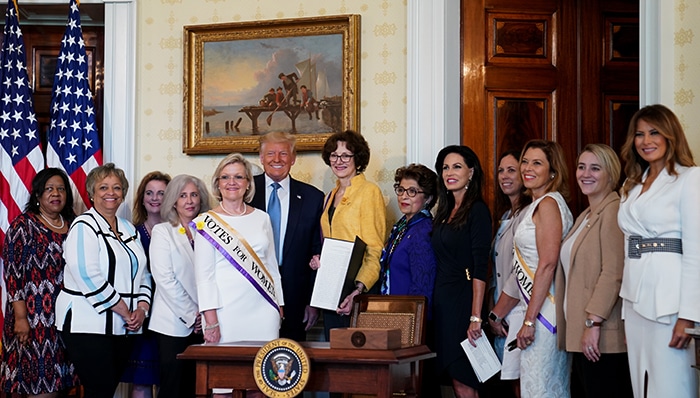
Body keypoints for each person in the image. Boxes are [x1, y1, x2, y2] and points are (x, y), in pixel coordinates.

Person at [617, 104, 700, 398]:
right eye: (639, 134)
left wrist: (689, 315)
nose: (646, 141)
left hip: (670, 305)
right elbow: (629, 250)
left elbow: (695, 253)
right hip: (635, 300)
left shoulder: (690, 179)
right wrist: (626, 313)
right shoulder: (632, 185)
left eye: (654, 132)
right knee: (641, 387)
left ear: (670, 136)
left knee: (671, 386)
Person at [56, 163, 151, 398]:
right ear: (92, 192)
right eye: (104, 187)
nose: (111, 193)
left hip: (123, 327)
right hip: (87, 324)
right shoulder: (83, 226)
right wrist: (126, 311)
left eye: (117, 188)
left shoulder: (129, 229)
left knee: (107, 390)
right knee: (99, 390)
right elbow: (88, 276)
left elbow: (144, 273)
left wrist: (142, 308)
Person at [193, 153, 284, 398]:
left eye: (238, 177)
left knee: (262, 385)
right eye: (225, 177)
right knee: (223, 385)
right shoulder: (205, 222)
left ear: (247, 183)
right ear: (218, 183)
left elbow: (272, 266)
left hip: (263, 311)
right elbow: (204, 276)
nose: (231, 182)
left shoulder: (262, 218)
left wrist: (279, 305)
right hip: (226, 314)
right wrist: (210, 319)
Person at [492, 140, 573, 398]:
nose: (527, 167)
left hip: (543, 314)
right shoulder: (538, 204)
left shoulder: (548, 205)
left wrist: (529, 320)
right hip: (537, 308)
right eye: (525, 161)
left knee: (541, 388)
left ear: (553, 171)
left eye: (536, 163)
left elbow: (547, 264)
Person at [553, 144, 632, 398]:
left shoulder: (613, 211)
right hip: (581, 333)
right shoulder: (586, 214)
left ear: (611, 173)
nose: (585, 174)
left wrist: (593, 322)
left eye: (595, 168)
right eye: (581, 167)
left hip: (602, 337)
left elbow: (613, 272)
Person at [0, 168, 79, 397]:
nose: (56, 193)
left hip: (67, 318)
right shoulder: (23, 226)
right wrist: (21, 318)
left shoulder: (75, 224)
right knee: (42, 386)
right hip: (34, 320)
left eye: (61, 189)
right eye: (49, 189)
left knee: (63, 384)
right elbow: (12, 275)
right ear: (37, 195)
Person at [310, 130, 387, 340]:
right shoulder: (330, 195)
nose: (339, 161)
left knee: (355, 359)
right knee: (335, 354)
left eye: (346, 155)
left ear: (357, 158)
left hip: (355, 290)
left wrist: (358, 291)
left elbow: (374, 248)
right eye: (334, 155)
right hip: (331, 289)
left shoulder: (369, 192)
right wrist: (321, 259)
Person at [431, 145, 492, 398]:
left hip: (463, 300)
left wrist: (475, 316)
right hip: (442, 302)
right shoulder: (444, 211)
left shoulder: (477, 210)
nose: (449, 172)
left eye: (457, 166)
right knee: (452, 379)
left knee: (464, 378)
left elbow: (481, 267)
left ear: (471, 172)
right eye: (445, 167)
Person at [251, 132, 324, 342]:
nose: (277, 159)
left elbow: (316, 251)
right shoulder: (245, 191)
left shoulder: (313, 197)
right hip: (251, 293)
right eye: (270, 153)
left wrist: (312, 302)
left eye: (283, 153)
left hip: (296, 299)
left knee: (290, 365)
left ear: (293, 159)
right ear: (261, 157)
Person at [379, 163, 439, 397]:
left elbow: (422, 287)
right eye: (401, 189)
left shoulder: (423, 229)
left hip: (411, 325)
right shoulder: (403, 226)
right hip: (394, 318)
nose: (404, 196)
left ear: (428, 197)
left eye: (412, 191)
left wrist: (412, 330)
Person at [149, 174, 210, 398]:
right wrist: (191, 315)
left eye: (194, 194)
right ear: (174, 201)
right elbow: (164, 278)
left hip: (206, 322)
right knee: (173, 387)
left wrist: (204, 316)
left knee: (197, 387)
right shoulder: (163, 231)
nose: (189, 201)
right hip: (174, 324)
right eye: (183, 195)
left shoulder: (208, 231)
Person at [122, 171, 171, 398]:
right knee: (141, 381)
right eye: (149, 193)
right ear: (142, 198)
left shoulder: (178, 232)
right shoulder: (130, 233)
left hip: (172, 315)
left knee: (169, 381)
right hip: (141, 316)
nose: (155, 198)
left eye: (161, 193)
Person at [487, 150, 531, 398]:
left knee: (522, 383)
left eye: (511, 170)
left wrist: (497, 313)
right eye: (501, 170)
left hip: (518, 311)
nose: (504, 176)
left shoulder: (528, 215)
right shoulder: (506, 215)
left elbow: (518, 273)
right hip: (503, 314)